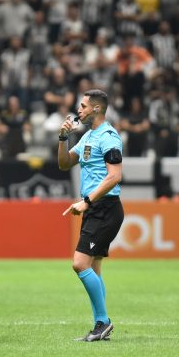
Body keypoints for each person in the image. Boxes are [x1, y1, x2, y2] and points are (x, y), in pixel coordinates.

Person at [58, 89, 124, 342]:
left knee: (79, 263)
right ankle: (100, 325)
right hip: (96, 208)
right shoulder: (88, 136)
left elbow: (115, 176)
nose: (79, 109)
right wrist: (63, 137)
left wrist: (86, 201)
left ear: (97, 108)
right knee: (94, 270)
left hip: (104, 208)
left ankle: (103, 322)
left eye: (84, 106)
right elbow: (65, 163)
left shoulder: (108, 137)